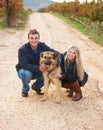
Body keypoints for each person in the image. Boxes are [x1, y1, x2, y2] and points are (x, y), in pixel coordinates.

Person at [16, 29, 55, 97]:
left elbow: (52, 51)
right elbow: (24, 65)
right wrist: (38, 68)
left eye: (36, 38)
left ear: (39, 39)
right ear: (28, 39)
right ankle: (25, 89)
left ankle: (36, 87)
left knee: (49, 72)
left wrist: (60, 56)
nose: (34, 40)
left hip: (37, 71)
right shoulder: (22, 50)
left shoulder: (42, 46)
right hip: (25, 70)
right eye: (32, 38)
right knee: (25, 73)